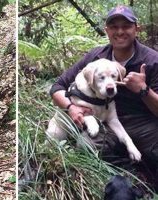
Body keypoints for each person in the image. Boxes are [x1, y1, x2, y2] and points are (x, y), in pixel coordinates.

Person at [49, 5, 158, 190]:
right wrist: (71, 107)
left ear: (136, 29)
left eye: (126, 26)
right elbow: (57, 87)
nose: (120, 31)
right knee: (86, 146)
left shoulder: (153, 60)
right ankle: (120, 173)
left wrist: (143, 89)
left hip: (142, 122)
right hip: (105, 122)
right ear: (107, 30)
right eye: (114, 27)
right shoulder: (95, 58)